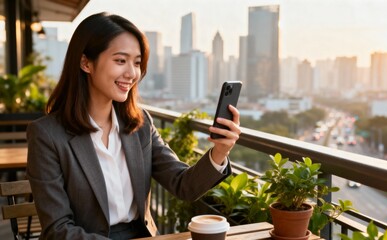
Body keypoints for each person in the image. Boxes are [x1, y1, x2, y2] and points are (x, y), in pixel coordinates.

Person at [26, 12, 241, 240]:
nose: (132, 74)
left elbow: (183, 185)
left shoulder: (140, 124)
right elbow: (57, 229)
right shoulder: (47, 135)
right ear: (85, 62)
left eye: (137, 63)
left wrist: (220, 151)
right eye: (120, 61)